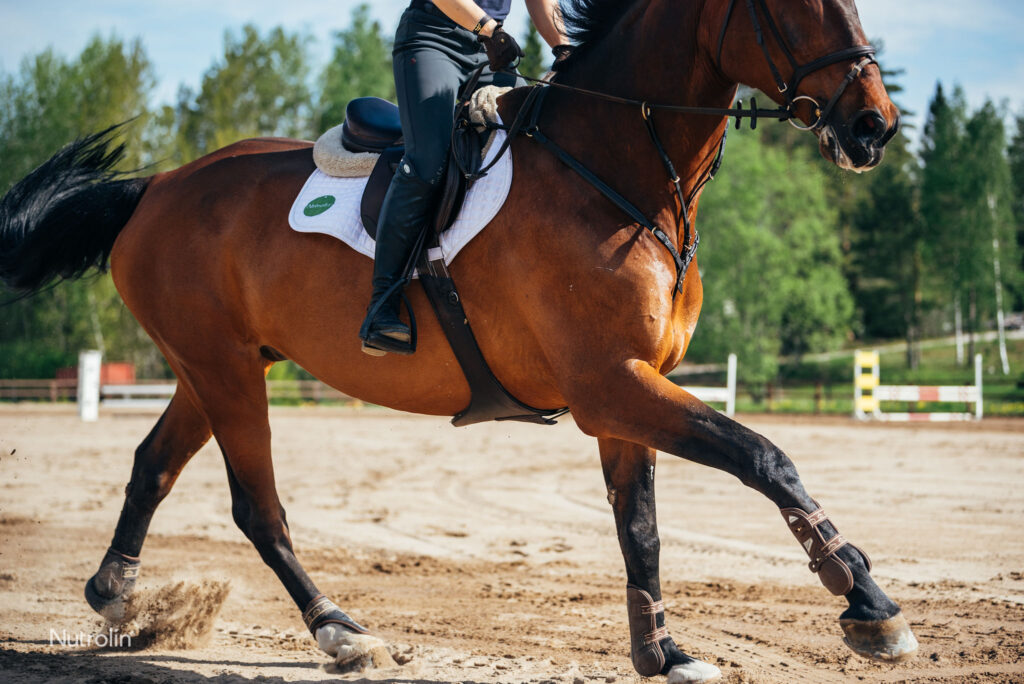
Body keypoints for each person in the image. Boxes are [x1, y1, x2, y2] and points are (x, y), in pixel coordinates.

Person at [359, 0, 569, 356]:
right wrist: (490, 29)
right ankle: (382, 306)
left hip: (490, 50)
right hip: (434, 39)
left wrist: (564, 48)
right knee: (428, 162)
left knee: (532, 147)